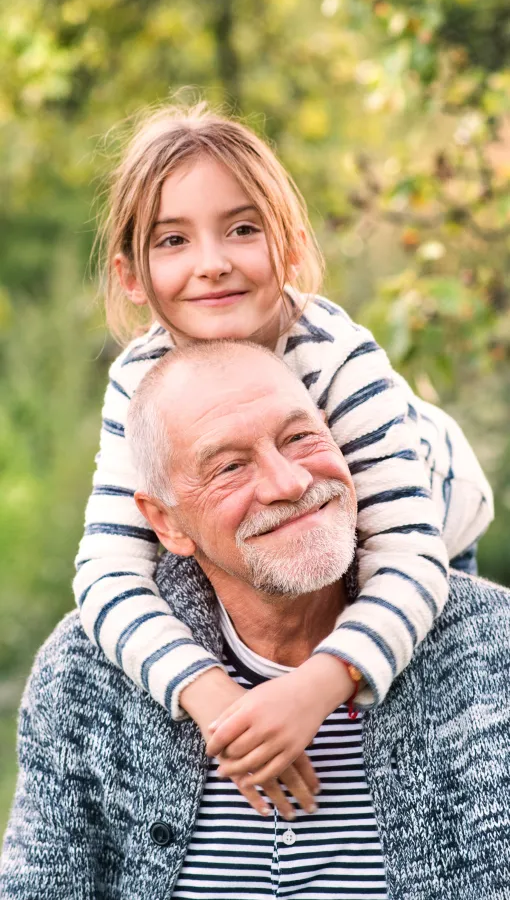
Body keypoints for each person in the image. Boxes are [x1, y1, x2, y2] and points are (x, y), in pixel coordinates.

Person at [74, 101, 493, 804]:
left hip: (427, 532)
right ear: (131, 276)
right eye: (172, 241)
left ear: (291, 247)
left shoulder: (336, 358)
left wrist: (314, 691)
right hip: (271, 565)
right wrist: (214, 700)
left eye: (242, 229)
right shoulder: (140, 383)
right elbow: (107, 576)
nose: (211, 265)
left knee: (413, 726)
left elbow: (409, 557)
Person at [2, 340, 509, 900]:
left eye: (299, 438)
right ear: (167, 523)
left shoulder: (492, 649)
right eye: (230, 467)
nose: (289, 483)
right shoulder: (85, 674)